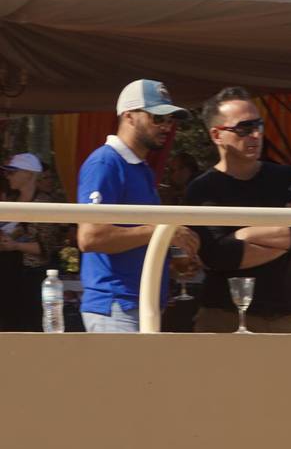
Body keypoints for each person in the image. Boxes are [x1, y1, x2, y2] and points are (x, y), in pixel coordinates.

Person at [185, 86, 291, 333]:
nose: (256, 135)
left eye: (258, 125)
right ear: (217, 135)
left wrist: (243, 235)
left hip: (287, 317)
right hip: (223, 318)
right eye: (244, 129)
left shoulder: (287, 177)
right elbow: (218, 256)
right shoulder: (201, 189)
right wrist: (288, 235)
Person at [76, 79, 199, 333]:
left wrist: (172, 259)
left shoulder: (137, 167)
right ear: (129, 117)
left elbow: (133, 237)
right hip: (117, 306)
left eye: (169, 120)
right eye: (157, 118)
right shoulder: (105, 162)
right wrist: (161, 231)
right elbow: (89, 237)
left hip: (135, 307)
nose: (166, 126)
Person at [0, 153, 63, 330]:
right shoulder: (10, 201)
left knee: (27, 325)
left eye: (12, 172)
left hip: (30, 277)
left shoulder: (44, 204)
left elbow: (47, 246)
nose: (8, 176)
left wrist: (15, 245)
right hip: (7, 275)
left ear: (29, 173)